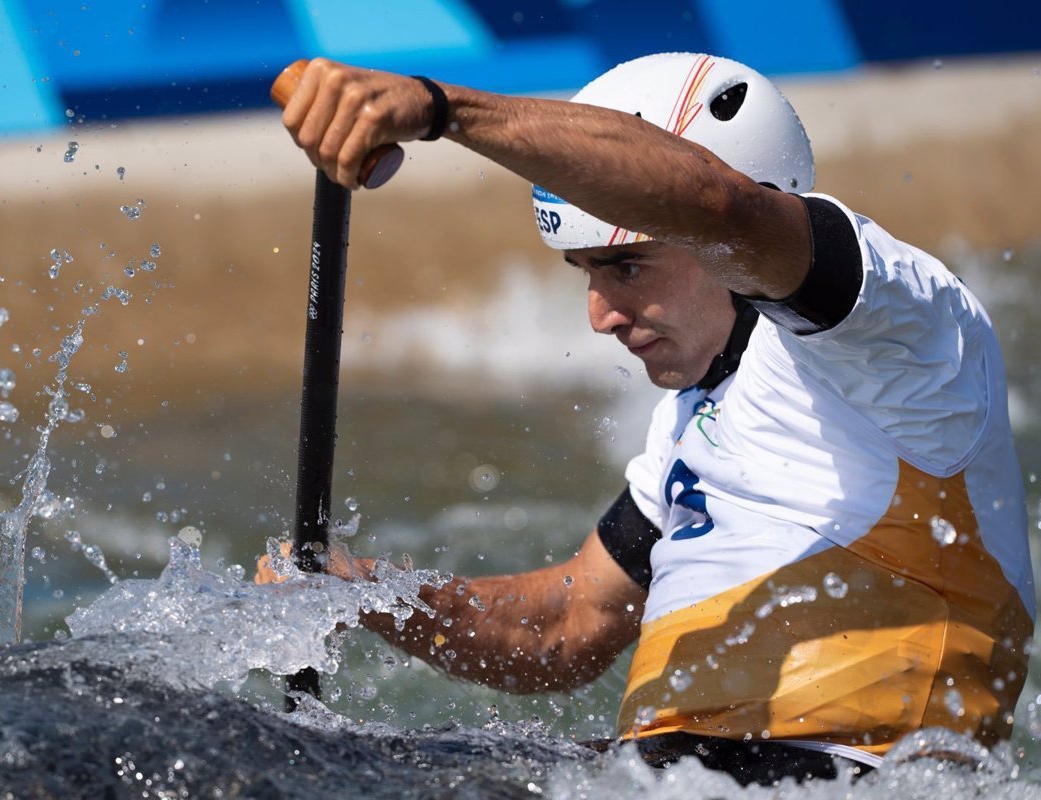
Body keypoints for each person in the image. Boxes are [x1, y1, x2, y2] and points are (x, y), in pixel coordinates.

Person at [257, 52, 1035, 785]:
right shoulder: (687, 422)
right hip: (659, 780)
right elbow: (565, 623)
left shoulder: (903, 337)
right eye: (587, 274)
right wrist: (359, 590)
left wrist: (440, 108)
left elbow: (717, 203)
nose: (600, 315)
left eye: (626, 267)